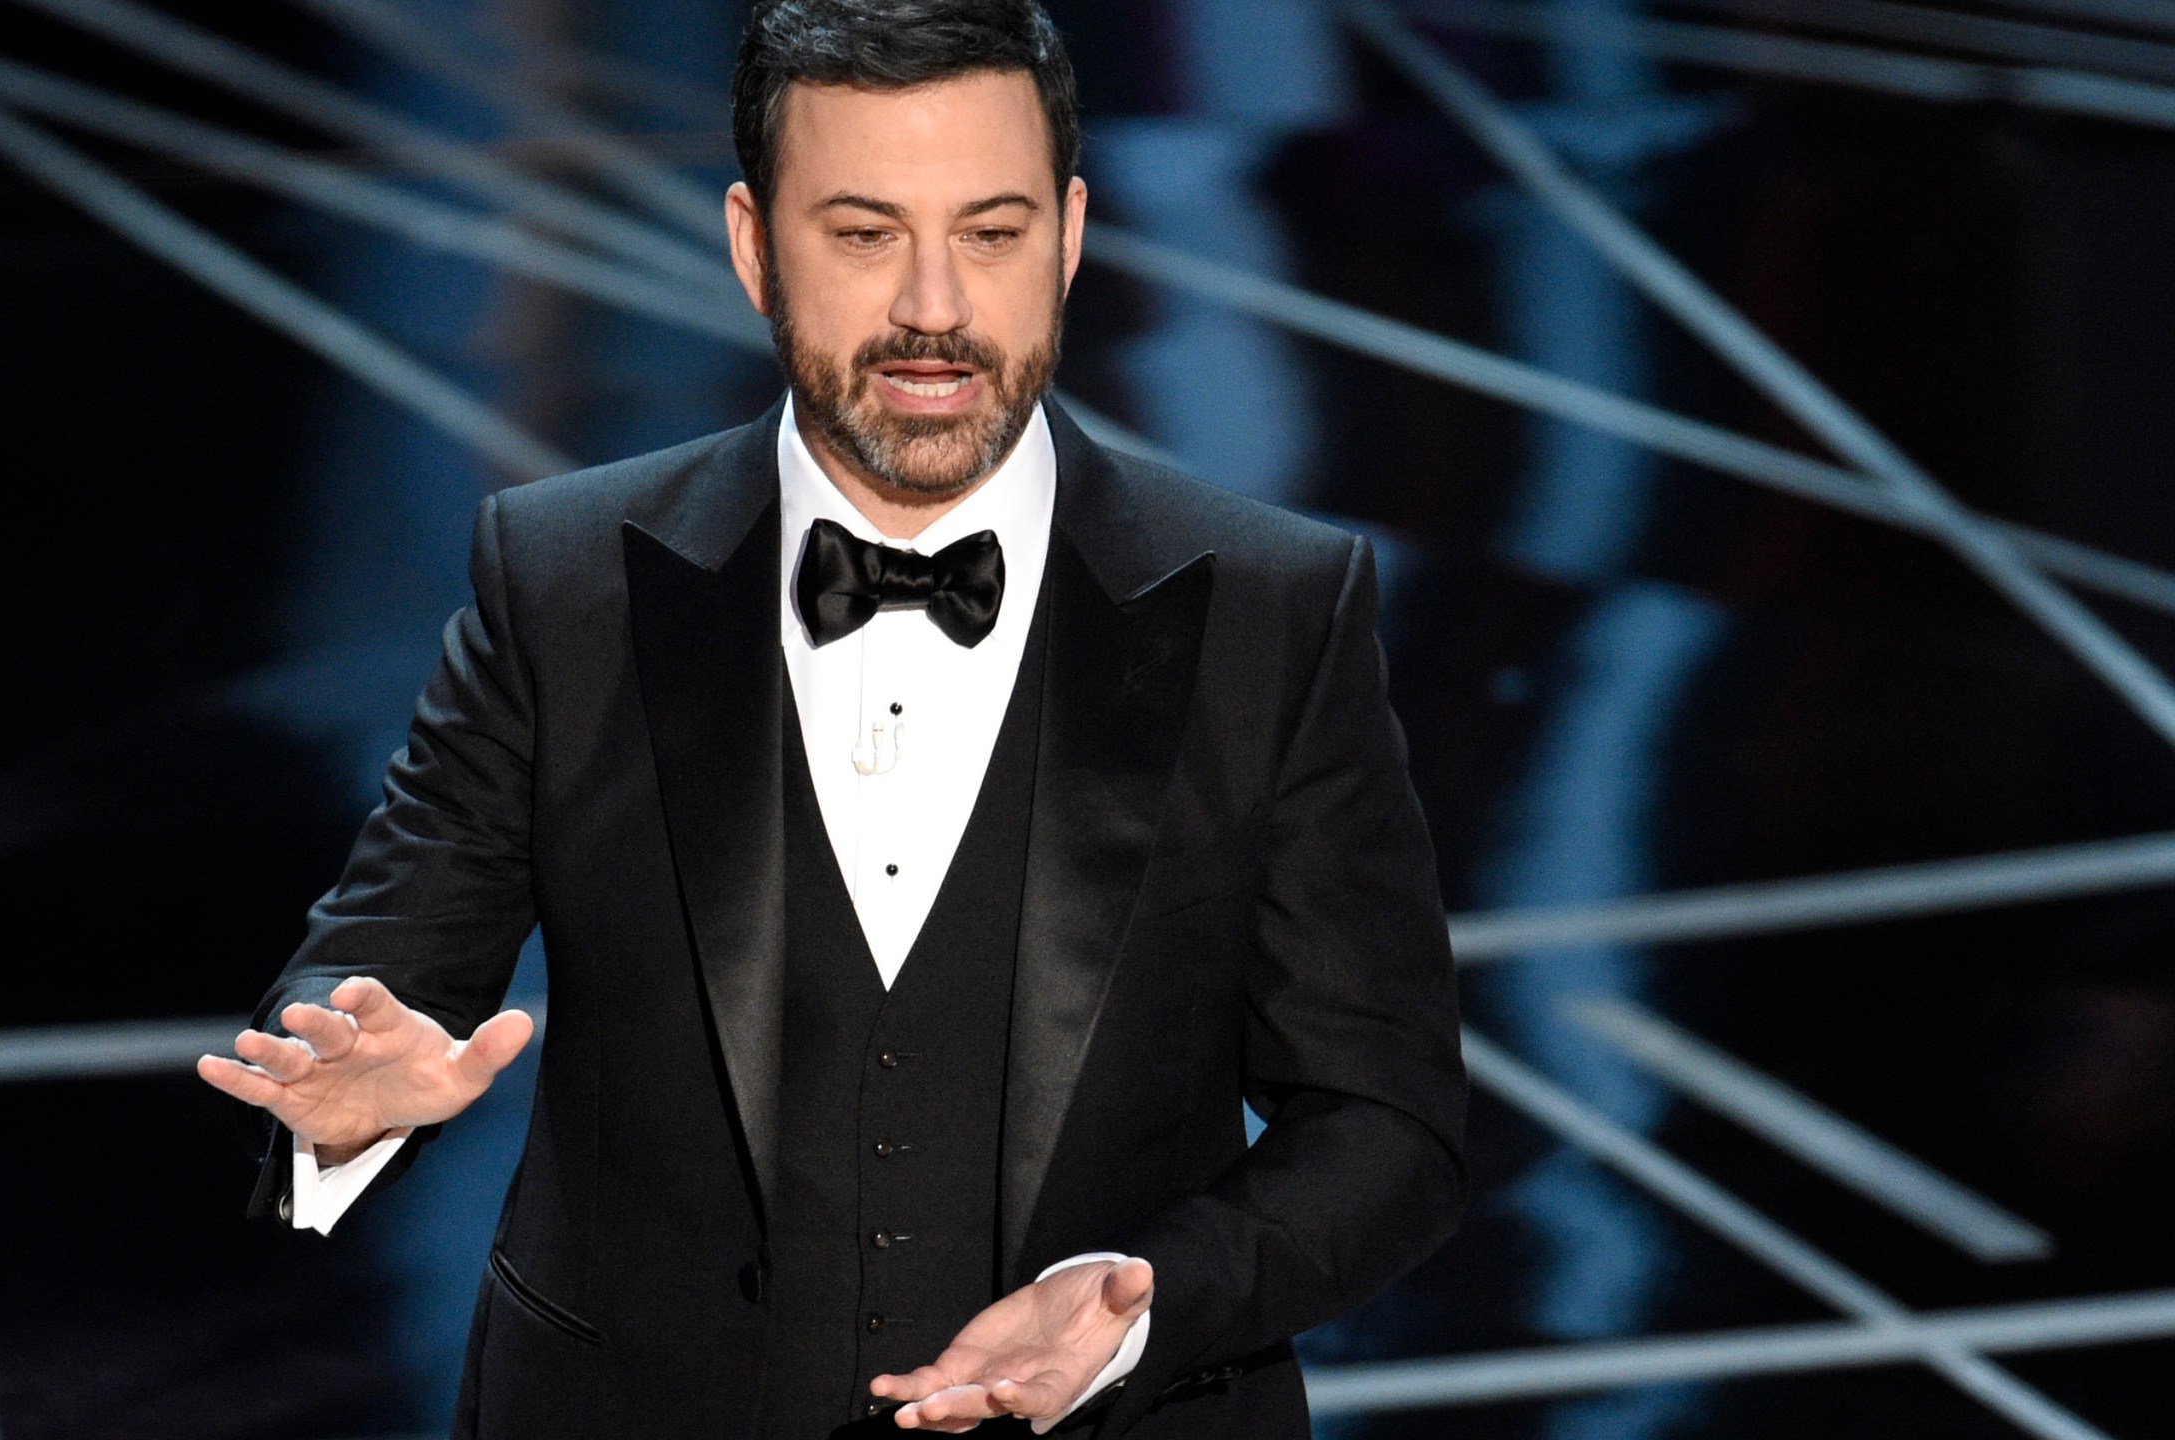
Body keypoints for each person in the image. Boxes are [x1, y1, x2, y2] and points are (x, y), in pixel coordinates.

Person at [196, 2, 1467, 1434]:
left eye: (991, 232)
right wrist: (349, 1099)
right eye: (865, 234)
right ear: (755, 247)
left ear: (1069, 234)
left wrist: (1147, 1300)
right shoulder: (565, 581)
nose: (935, 304)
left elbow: (1386, 1122)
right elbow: (376, 971)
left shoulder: (1272, 609)